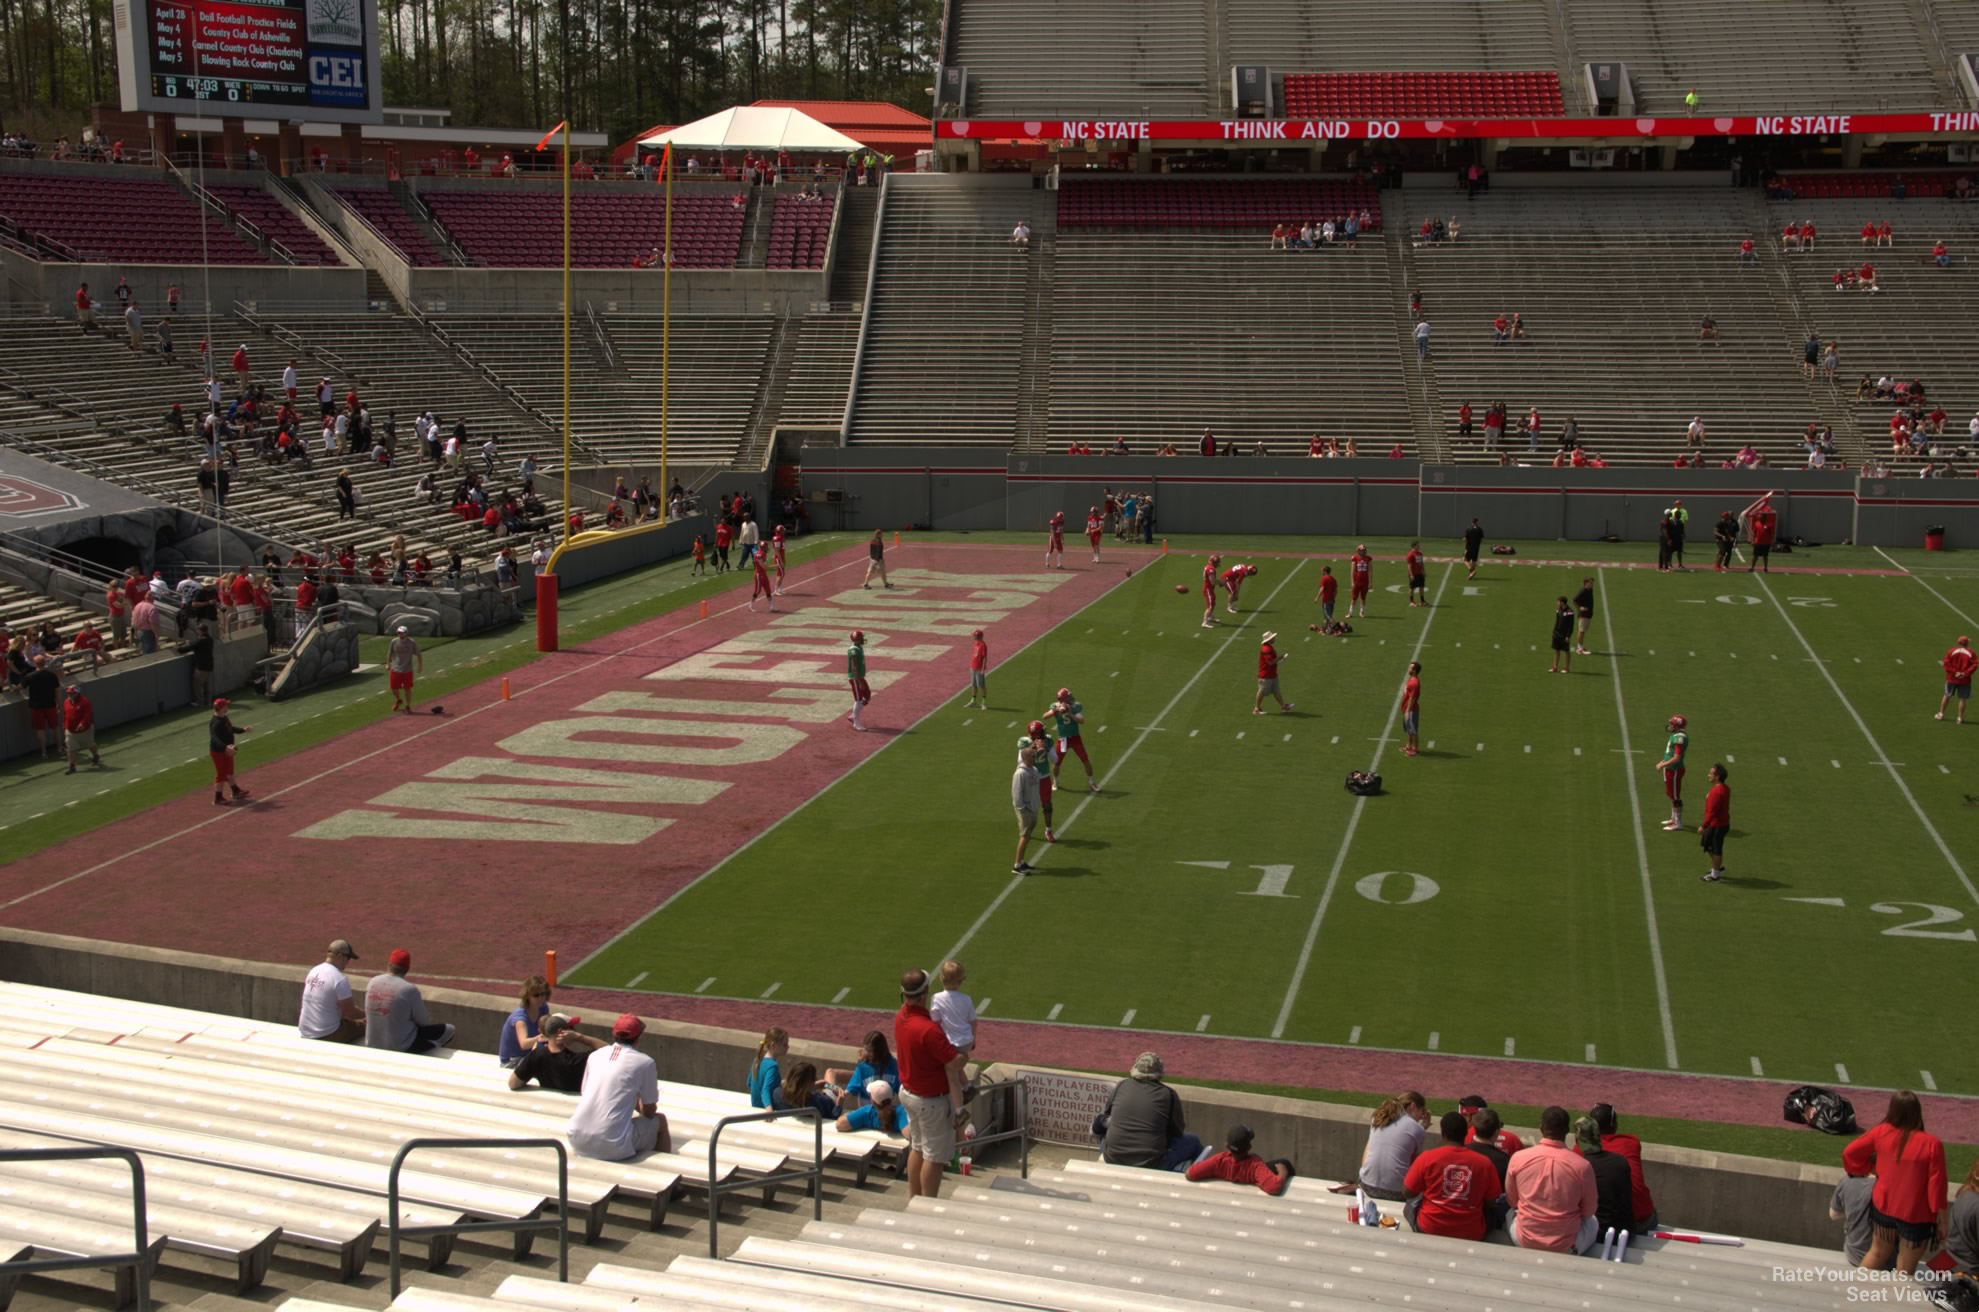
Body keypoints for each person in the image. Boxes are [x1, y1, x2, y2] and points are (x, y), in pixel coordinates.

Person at [1842, 1091, 1949, 1273]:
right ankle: (1896, 1300)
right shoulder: (1932, 1144)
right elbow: (1937, 1183)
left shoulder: (1880, 1132)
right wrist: (1941, 1217)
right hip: (1916, 1213)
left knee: (1877, 1253)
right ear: (1917, 1112)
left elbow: (1849, 1153)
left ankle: (1856, 1290)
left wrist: (1869, 1169)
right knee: (1905, 1267)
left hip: (1884, 1206)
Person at [895, 968, 968, 1199]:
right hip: (931, 1101)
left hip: (909, 1094)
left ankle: (914, 1198)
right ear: (925, 992)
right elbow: (955, 1062)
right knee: (934, 1158)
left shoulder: (901, 1017)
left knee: (917, 1148)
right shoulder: (928, 1029)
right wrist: (967, 1049)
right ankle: (927, 1204)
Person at [567, 1014, 669, 1160]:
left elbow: (588, 1093)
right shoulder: (645, 1063)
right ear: (639, 1037)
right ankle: (664, 1171)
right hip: (612, 1144)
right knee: (661, 1121)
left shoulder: (595, 1056)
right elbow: (649, 1112)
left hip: (576, 1138)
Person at [1505, 1105, 1600, 1253]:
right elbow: (1589, 1211)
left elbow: (1512, 1201)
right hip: (1566, 1245)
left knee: (1510, 1212)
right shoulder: (1582, 1166)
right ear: (1567, 1131)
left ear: (1541, 1127)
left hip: (1524, 1240)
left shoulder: (1518, 1158)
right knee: (1592, 1221)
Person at [1403, 1111, 1502, 1239]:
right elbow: (1491, 1202)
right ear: (1466, 1133)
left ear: (1443, 1134)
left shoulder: (1427, 1158)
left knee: (1411, 1204)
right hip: (1471, 1231)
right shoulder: (1484, 1163)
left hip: (1430, 1226)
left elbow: (1407, 1193)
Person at [1097, 1052, 1202, 1172]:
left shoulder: (1121, 1085)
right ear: (1159, 1072)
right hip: (1152, 1163)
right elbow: (1178, 1131)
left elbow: (1107, 1117)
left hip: (1113, 1157)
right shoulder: (1168, 1094)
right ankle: (1192, 1178)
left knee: (1102, 1132)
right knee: (1193, 1141)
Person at [1330, 1091, 1428, 1201]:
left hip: (1367, 1187)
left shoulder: (1379, 1118)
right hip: (1398, 1193)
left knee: (1371, 1143)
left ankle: (1357, 1184)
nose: (1421, 1117)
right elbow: (1415, 1164)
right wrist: (1422, 1129)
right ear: (1413, 1106)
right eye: (1422, 1112)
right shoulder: (1417, 1129)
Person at [363, 949, 457, 1053]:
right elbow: (423, 1022)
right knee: (449, 1030)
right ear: (407, 969)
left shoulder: (372, 982)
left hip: (372, 1043)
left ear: (389, 964)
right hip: (401, 1047)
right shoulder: (409, 989)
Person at [1591, 1103, 1658, 1231]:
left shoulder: (1580, 1149)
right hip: (1637, 1219)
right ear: (1614, 1125)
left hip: (1604, 1223)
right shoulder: (1630, 1143)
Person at [1573, 1114, 1635, 1240]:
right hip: (1627, 1231)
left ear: (1576, 1139)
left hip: (1599, 1235)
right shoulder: (1621, 1161)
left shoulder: (1579, 1167)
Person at [1187, 1124, 1294, 1195]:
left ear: (1226, 1145)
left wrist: (1212, 1172)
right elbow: (1274, 1187)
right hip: (1251, 1176)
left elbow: (1190, 1173)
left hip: (1229, 1175)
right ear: (1249, 1148)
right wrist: (1282, 1172)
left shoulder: (1219, 1161)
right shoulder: (1255, 1165)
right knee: (1284, 1163)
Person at [508, 1014, 603, 1093]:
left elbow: (513, 1083)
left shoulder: (536, 1055)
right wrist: (579, 1037)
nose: (575, 1031)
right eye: (572, 1028)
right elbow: (608, 1049)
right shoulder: (577, 1060)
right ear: (561, 1032)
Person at [298, 939, 365, 1043]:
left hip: (305, 1031)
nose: (348, 962)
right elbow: (350, 1012)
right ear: (340, 956)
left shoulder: (313, 971)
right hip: (326, 1034)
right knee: (364, 1025)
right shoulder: (339, 979)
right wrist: (367, 1016)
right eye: (347, 958)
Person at [1048, 686, 1098, 792]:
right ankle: (1056, 781)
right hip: (1063, 739)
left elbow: (1081, 720)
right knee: (1057, 762)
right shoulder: (1055, 706)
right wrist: (1055, 710)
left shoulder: (1075, 707)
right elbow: (1045, 716)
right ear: (1063, 699)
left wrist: (1070, 713)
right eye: (1068, 697)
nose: (1070, 698)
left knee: (1085, 759)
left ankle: (1091, 782)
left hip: (1075, 738)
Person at [930, 960, 978, 1070]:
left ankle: (961, 1085)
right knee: (956, 1068)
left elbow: (935, 1023)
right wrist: (973, 1040)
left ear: (941, 978)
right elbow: (973, 1022)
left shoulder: (936, 998)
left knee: (951, 1073)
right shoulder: (967, 999)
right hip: (966, 1042)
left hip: (948, 1042)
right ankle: (966, 1085)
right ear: (960, 981)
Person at [499, 975, 553, 1066]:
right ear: (527, 996)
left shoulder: (543, 1008)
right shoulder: (520, 1018)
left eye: (543, 994)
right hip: (512, 1061)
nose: (541, 998)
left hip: (528, 1055)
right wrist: (542, 1037)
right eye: (536, 995)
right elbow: (524, 1044)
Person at [210, 697, 252, 805]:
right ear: (222, 708)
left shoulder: (223, 718)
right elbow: (214, 738)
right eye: (226, 705)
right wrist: (225, 748)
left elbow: (230, 728)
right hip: (219, 752)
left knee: (229, 771)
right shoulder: (216, 723)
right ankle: (218, 798)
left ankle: (235, 791)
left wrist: (243, 730)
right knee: (221, 774)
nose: (227, 706)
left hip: (227, 750)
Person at [1831, 1168, 1878, 1266]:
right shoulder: (1888, 1184)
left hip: (1854, 1256)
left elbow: (1833, 1215)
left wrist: (1852, 1209)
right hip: (1888, 1261)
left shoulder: (1846, 1182)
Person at [836, 1079, 909, 1136]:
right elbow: (909, 1134)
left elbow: (840, 1124)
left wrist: (850, 1113)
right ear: (892, 1097)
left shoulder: (867, 1112)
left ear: (872, 1100)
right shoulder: (901, 1111)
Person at [21, 656, 61, 758]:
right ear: (45, 663)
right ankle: (60, 748)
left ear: (35, 664)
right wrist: (59, 703)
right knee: (55, 727)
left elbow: (20, 687)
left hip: (36, 707)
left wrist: (13, 688)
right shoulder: (52, 675)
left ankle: (43, 752)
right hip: (50, 704)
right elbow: (57, 691)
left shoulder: (30, 676)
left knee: (40, 730)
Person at [1656, 714, 1689, 832]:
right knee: (1670, 794)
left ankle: (1678, 823)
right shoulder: (1675, 735)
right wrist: (1663, 762)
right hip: (1670, 768)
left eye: (1672, 724)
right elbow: (1670, 754)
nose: (1670, 726)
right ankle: (1673, 818)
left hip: (1674, 770)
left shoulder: (1679, 737)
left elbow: (1677, 758)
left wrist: (1662, 764)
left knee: (1675, 797)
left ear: (1677, 726)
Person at [746, 1026, 790, 1108]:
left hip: (755, 1105)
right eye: (784, 1045)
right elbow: (765, 1090)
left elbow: (749, 1083)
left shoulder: (757, 1061)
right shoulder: (773, 1066)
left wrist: (779, 1083)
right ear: (773, 1045)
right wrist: (769, 1108)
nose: (788, 1047)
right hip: (766, 1107)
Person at [61, 684, 100, 774]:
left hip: (85, 730)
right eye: (68, 693)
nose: (69, 695)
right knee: (71, 748)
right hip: (70, 730)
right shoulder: (66, 702)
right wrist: (65, 724)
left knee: (90, 744)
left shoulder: (85, 702)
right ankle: (72, 766)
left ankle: (96, 755)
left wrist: (82, 723)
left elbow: (87, 715)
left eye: (71, 693)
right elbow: (66, 715)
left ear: (77, 693)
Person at [1253, 632, 1294, 715]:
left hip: (1272, 674)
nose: (1274, 638)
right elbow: (1270, 662)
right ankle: (1256, 709)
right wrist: (1280, 657)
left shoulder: (1268, 647)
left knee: (1276, 691)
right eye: (1272, 637)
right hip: (1266, 675)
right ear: (1269, 639)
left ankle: (1284, 706)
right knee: (1261, 691)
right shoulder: (1266, 649)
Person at [386, 625, 423, 713]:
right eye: (399, 632)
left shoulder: (411, 642)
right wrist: (388, 664)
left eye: (402, 632)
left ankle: (408, 705)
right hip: (395, 669)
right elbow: (389, 653)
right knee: (394, 688)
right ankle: (399, 700)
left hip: (407, 670)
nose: (400, 634)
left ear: (406, 633)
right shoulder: (394, 641)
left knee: (407, 688)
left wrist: (420, 666)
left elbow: (418, 654)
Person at [1940, 636, 1976, 723]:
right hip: (1965, 680)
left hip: (1951, 678)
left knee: (1947, 695)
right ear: (1967, 643)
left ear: (1958, 643)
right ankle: (1960, 718)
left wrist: (1955, 673)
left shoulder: (1951, 651)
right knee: (1962, 698)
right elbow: (1975, 665)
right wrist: (1964, 673)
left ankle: (1941, 714)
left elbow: (1946, 663)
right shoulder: (1971, 653)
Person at [1742, 493, 1778, 572]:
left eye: (1760, 517)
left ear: (1764, 518)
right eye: (1759, 517)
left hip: (1766, 543)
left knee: (1765, 556)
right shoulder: (1756, 523)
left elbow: (1771, 533)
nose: (1759, 518)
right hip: (1758, 542)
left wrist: (1772, 542)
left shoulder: (1769, 524)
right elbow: (1754, 532)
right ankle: (1752, 567)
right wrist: (1752, 540)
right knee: (1755, 556)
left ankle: (1765, 568)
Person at [846, 629, 871, 733]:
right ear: (856, 639)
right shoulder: (854, 650)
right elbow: (854, 667)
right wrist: (859, 681)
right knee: (859, 699)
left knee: (867, 695)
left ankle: (853, 716)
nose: (862, 639)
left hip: (860, 677)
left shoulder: (859, 648)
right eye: (861, 638)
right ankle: (856, 722)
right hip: (855, 677)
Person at [1401, 661, 1422, 757]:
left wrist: (1408, 711)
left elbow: (1412, 698)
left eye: (1410, 668)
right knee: (1409, 729)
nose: (1408, 669)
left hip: (1411, 710)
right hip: (1407, 708)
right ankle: (1409, 746)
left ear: (1414, 670)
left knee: (1413, 730)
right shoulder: (1412, 679)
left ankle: (1415, 749)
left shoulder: (1414, 683)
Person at [965, 628, 989, 710]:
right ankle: (973, 700)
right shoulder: (976, 643)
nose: (973, 637)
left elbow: (985, 657)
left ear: (978, 636)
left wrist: (983, 669)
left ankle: (984, 702)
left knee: (981, 685)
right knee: (974, 685)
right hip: (973, 667)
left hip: (979, 668)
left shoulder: (983, 645)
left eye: (974, 636)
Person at [1550, 596, 1575, 674]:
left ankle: (1566, 668)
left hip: (1564, 635)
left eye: (1558, 602)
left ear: (1562, 602)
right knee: (1556, 650)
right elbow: (1557, 622)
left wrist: (1568, 636)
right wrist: (1554, 632)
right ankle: (1555, 667)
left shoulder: (1570, 611)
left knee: (1566, 651)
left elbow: (1571, 626)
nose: (1557, 603)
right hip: (1557, 633)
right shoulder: (1558, 610)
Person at [748, 546, 776, 613]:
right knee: (757, 591)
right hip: (759, 575)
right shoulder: (759, 555)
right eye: (766, 548)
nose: (767, 549)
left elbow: (765, 565)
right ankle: (751, 605)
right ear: (763, 548)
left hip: (764, 574)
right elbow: (764, 567)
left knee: (768, 590)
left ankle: (771, 606)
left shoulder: (763, 554)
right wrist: (775, 566)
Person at [1572, 577, 1595, 656]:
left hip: (1588, 614)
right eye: (1590, 583)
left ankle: (1581, 646)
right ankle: (1579, 649)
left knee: (1583, 631)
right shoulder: (1583, 591)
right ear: (1586, 583)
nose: (1592, 584)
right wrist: (1580, 608)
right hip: (1583, 615)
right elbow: (1574, 600)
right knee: (1581, 631)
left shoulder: (1590, 590)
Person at [1349, 544, 1373, 619]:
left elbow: (1370, 571)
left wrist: (1370, 582)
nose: (1363, 551)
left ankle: (1362, 612)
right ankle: (1350, 612)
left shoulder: (1368, 558)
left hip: (1365, 582)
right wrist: (1352, 582)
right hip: (1357, 581)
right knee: (1354, 598)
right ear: (1358, 551)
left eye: (1363, 550)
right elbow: (1352, 571)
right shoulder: (1355, 558)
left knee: (1363, 598)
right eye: (1361, 550)